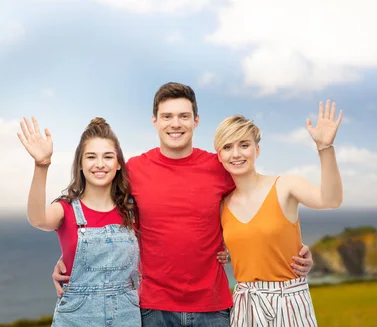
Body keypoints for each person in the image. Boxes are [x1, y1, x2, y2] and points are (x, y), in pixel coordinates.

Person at [51, 82, 315, 327]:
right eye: (167, 116)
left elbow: (259, 203)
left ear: (195, 121)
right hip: (153, 308)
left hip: (213, 308)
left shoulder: (220, 166)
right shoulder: (134, 170)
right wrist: (72, 256)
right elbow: (105, 211)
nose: (175, 124)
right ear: (155, 121)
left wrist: (294, 246)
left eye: (183, 116)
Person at [214, 99, 343, 326]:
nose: (236, 154)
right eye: (227, 147)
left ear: (257, 150)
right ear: (219, 155)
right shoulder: (221, 205)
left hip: (290, 301)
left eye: (244, 145)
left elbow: (330, 200)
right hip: (246, 305)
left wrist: (325, 148)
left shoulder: (286, 186)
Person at [18, 117, 141, 326]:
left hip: (126, 316)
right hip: (76, 318)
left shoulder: (133, 210)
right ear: (81, 164)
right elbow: (37, 219)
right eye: (91, 157)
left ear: (119, 163)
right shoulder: (66, 209)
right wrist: (42, 165)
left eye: (108, 157)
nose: (100, 164)